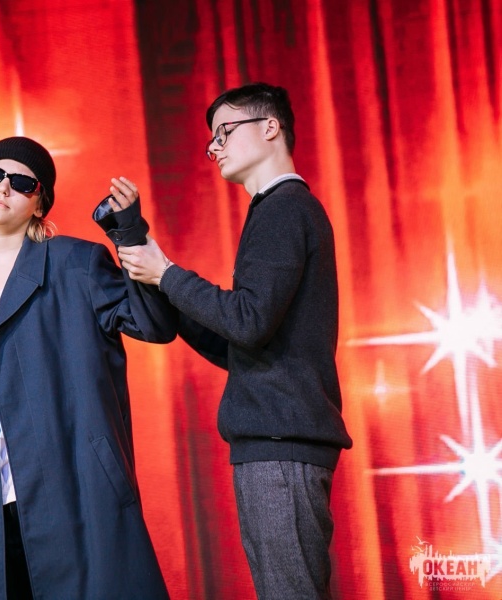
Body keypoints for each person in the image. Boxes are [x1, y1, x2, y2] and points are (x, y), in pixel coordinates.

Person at [97, 83, 353, 599]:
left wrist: (167, 274)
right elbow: (238, 344)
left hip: (281, 444)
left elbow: (247, 320)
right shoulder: (278, 210)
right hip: (274, 444)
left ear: (271, 127)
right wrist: (144, 253)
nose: (214, 147)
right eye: (211, 140)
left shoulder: (285, 208)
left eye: (225, 132)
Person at [0, 136, 175, 599]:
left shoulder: (78, 264)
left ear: (39, 204)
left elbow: (155, 325)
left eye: (22, 182)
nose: (3, 187)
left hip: (78, 502)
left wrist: (129, 232)